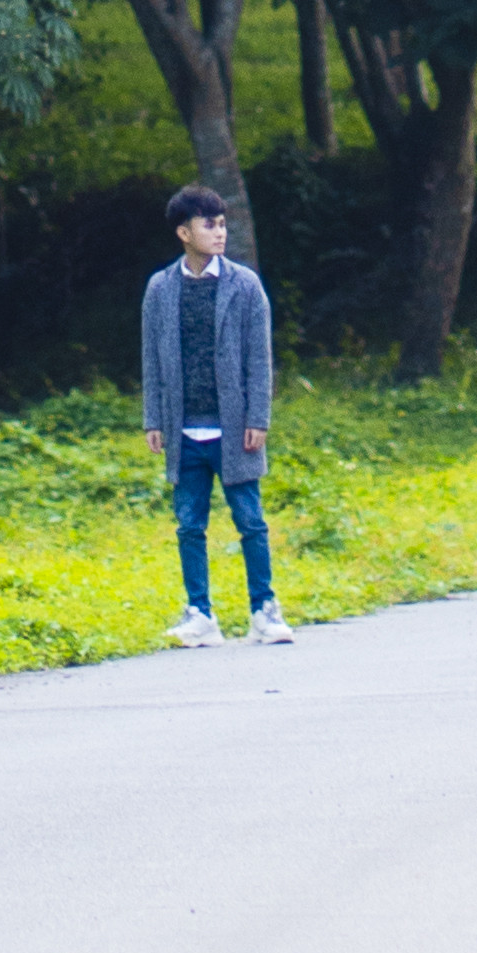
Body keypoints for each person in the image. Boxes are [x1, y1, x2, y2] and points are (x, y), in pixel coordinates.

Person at [140, 182, 291, 645]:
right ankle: (200, 613)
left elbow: (259, 357)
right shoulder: (161, 288)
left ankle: (264, 610)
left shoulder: (244, 285)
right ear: (184, 232)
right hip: (183, 428)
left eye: (223, 223)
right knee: (189, 523)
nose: (220, 232)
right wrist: (153, 419)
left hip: (234, 427)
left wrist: (258, 418)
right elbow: (151, 356)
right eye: (210, 224)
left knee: (250, 520)